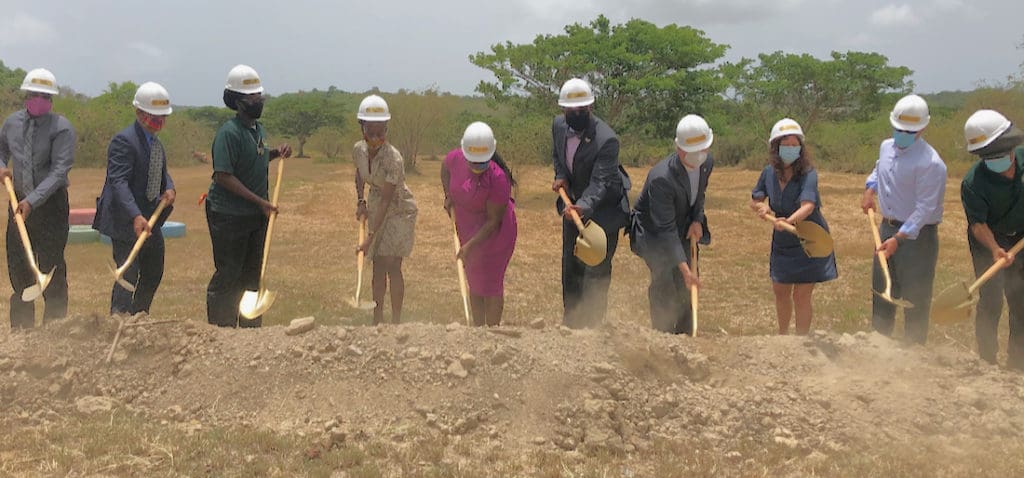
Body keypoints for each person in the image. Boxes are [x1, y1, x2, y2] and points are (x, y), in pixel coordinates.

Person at [205, 65, 291, 328]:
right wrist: (261, 202)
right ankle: (222, 329)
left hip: (255, 216)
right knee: (229, 273)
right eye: (252, 99)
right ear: (238, 102)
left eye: (259, 97)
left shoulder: (258, 130)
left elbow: (258, 155)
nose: (258, 102)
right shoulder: (228, 133)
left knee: (253, 274)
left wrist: (276, 152)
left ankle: (250, 328)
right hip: (229, 215)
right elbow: (223, 175)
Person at [861, 94, 946, 344]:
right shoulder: (886, 147)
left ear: (922, 128)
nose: (902, 134)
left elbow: (924, 209)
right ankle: (879, 346)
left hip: (918, 238)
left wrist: (899, 237)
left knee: (915, 299)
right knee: (882, 288)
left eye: (909, 131)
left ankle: (913, 353)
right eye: (898, 129)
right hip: (886, 229)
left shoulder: (931, 164)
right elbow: (878, 170)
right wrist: (870, 189)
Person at [550, 78, 630, 328]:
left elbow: (601, 182)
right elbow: (558, 154)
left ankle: (593, 329)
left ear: (591, 108)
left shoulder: (607, 140)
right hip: (573, 206)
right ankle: (571, 325)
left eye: (581, 110)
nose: (576, 114)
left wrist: (583, 206)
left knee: (595, 271)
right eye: (571, 111)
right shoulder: (558, 126)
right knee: (571, 267)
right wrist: (560, 175)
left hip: (604, 211)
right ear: (563, 110)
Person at [0, 68, 75, 329]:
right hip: (18, 203)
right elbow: (1, 150)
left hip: (50, 206)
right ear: (26, 95)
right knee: (20, 267)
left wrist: (32, 200)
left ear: (51, 100)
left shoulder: (61, 128)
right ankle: (22, 333)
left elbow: (59, 172)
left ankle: (55, 331)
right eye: (34, 95)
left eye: (44, 96)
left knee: (52, 266)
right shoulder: (11, 123)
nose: (38, 100)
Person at [93, 82, 177, 316]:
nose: (159, 121)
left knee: (153, 271)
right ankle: (119, 318)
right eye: (154, 115)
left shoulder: (156, 143)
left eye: (162, 116)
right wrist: (135, 215)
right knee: (127, 273)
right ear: (139, 113)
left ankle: (139, 316)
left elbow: (162, 172)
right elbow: (117, 181)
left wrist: (169, 188)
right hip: (126, 220)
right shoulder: (124, 141)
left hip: (151, 218)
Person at [750, 118, 838, 335]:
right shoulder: (768, 172)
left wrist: (788, 222)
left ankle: (800, 341)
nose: (790, 149)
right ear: (775, 147)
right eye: (785, 145)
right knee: (780, 290)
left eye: (794, 145)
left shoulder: (808, 173)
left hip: (809, 238)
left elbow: (808, 206)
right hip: (783, 240)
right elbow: (755, 199)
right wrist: (762, 208)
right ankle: (783, 338)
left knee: (801, 294)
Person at [630, 114, 713, 335]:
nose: (698, 157)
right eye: (691, 152)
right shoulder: (662, 179)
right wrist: (684, 269)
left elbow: (699, 194)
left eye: (702, 151)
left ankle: (686, 336)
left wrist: (697, 219)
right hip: (653, 233)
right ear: (678, 149)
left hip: (683, 224)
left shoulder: (706, 162)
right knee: (665, 282)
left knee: (687, 286)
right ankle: (663, 338)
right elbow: (665, 230)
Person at [959, 110, 1024, 368]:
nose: (996, 161)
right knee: (991, 298)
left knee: (1020, 299)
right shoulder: (973, 183)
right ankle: (987, 361)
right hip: (988, 240)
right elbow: (978, 224)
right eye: (989, 156)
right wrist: (996, 249)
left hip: (1020, 236)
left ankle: (1018, 363)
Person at [441, 122, 518, 326]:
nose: (477, 167)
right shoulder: (455, 158)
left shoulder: (499, 178)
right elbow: (445, 168)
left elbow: (494, 221)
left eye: (482, 163)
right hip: (467, 228)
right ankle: (477, 331)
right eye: (472, 162)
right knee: (474, 279)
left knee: (490, 282)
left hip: (496, 234)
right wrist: (448, 196)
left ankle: (492, 333)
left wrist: (469, 246)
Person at [354, 95, 418, 325]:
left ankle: (396, 323)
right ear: (362, 127)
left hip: (399, 209)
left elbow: (387, 200)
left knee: (390, 264)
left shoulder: (394, 159)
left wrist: (369, 238)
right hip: (375, 204)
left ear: (386, 129)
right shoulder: (358, 151)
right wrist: (360, 199)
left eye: (381, 132)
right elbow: (360, 174)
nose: (376, 137)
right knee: (377, 267)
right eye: (371, 131)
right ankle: (377, 320)